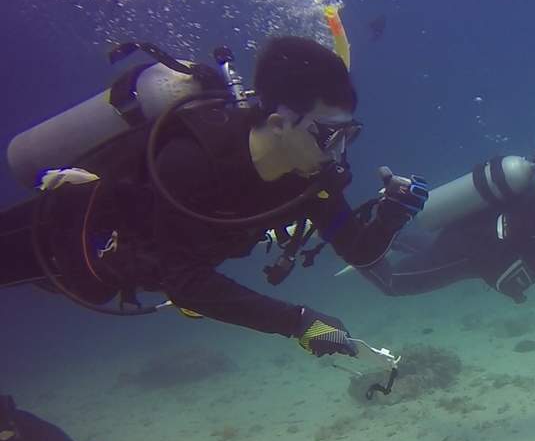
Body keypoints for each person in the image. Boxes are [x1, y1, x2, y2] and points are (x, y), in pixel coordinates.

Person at [0, 36, 427, 357]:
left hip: (128, 269)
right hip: (59, 238)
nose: (339, 153)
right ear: (279, 123)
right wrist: (298, 323)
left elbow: (356, 247)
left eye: (349, 134)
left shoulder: (308, 181)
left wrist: (393, 213)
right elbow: (186, 284)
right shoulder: (192, 159)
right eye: (330, 135)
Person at [361, 156, 535, 302]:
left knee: (424, 246)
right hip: (465, 254)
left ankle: (376, 231)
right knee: (391, 284)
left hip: (467, 235)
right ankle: (348, 237)